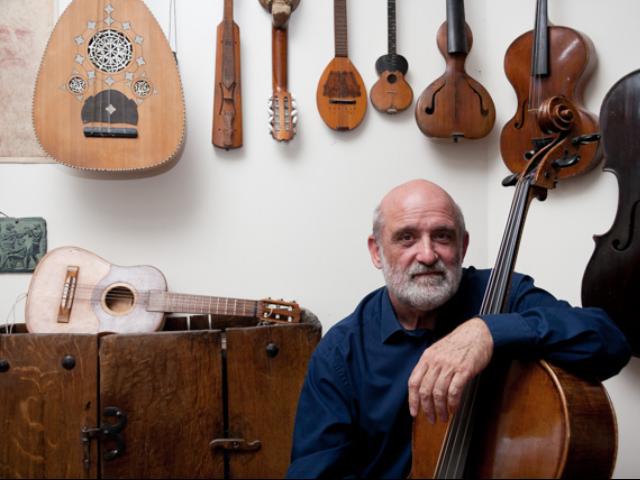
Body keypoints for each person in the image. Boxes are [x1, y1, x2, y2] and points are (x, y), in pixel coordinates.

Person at [286, 179, 631, 479]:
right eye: (406, 238)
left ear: (463, 246)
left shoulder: (503, 296)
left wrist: (489, 331)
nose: (427, 254)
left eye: (442, 236)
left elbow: (609, 341)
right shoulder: (341, 353)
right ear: (377, 251)